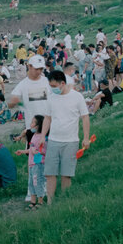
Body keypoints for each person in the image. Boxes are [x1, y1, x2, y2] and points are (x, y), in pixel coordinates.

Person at [40, 69, 91, 204]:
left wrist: (86, 138)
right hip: (53, 140)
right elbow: (47, 118)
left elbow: (85, 118)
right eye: (50, 86)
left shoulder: (77, 97)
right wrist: (42, 136)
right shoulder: (51, 98)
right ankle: (50, 202)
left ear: (62, 83)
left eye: (54, 86)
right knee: (50, 173)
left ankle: (64, 201)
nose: (52, 89)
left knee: (66, 174)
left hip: (71, 141)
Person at [15, 114, 47, 208]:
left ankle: (40, 201)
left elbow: (45, 151)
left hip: (38, 163)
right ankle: (33, 201)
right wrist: (23, 151)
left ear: (38, 125)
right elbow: (31, 149)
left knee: (38, 182)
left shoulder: (42, 137)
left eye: (33, 122)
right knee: (31, 183)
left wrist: (37, 151)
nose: (31, 124)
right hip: (32, 163)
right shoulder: (34, 136)